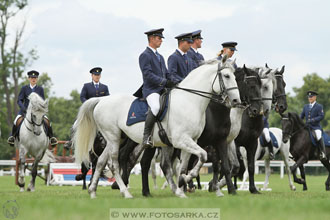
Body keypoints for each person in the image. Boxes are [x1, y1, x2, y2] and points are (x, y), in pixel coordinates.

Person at [138, 28, 175, 148]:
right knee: (155, 107)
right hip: (151, 90)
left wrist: (175, 82)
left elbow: (167, 73)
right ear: (152, 38)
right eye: (159, 38)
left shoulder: (160, 56)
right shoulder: (144, 55)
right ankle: (147, 136)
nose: (161, 41)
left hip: (163, 89)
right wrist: (164, 82)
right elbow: (147, 74)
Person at [7, 70, 58, 146]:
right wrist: (23, 108)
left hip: (37, 112)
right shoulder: (24, 88)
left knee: (47, 121)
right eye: (32, 78)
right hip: (25, 110)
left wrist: (41, 109)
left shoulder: (40, 89)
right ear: (29, 79)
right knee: (16, 120)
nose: (33, 79)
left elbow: (42, 101)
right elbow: (19, 100)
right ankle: (12, 137)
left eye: (35, 78)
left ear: (37, 79)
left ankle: (51, 138)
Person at [300, 91, 326, 159]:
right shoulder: (305, 106)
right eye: (309, 97)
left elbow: (321, 116)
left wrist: (312, 120)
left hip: (315, 127)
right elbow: (301, 116)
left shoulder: (319, 106)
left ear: (315, 97)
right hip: (307, 126)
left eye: (311, 97)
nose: (310, 98)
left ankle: (323, 152)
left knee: (318, 135)